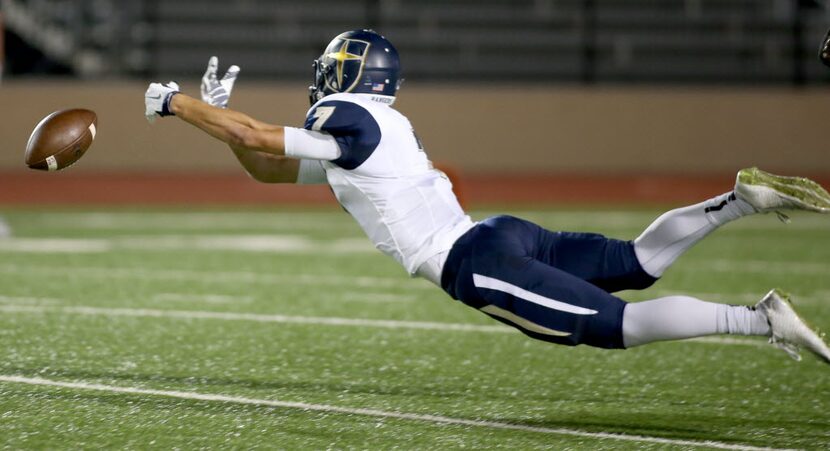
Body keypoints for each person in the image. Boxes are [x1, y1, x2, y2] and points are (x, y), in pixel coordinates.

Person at [145, 29, 830, 364]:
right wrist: (221, 125)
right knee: (636, 259)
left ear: (349, 72)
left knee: (620, 324)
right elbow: (265, 163)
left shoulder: (343, 119)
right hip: (498, 234)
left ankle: (760, 321)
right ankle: (738, 200)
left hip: (475, 260)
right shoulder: (366, 131)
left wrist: (176, 104)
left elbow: (261, 137)